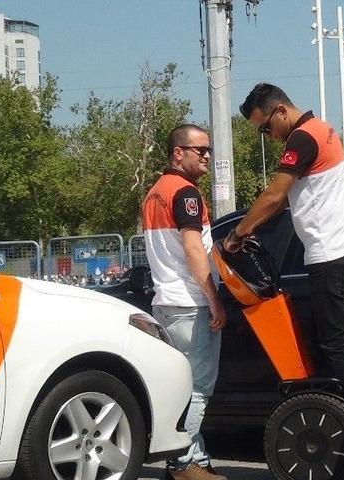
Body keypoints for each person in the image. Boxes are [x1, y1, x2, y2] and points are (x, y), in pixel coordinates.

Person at [224, 83, 344, 405]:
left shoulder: (302, 138)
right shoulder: (322, 129)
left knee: (333, 343)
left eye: (266, 128)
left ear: (280, 111)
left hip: (332, 253)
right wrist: (254, 227)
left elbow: (274, 195)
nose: (269, 136)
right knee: (343, 340)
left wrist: (237, 235)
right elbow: (282, 202)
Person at [143, 124, 227, 480]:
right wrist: (214, 299)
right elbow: (194, 251)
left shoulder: (154, 193)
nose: (207, 156)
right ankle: (181, 464)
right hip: (191, 304)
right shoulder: (186, 194)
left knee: (181, 388)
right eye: (200, 150)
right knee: (198, 390)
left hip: (166, 303)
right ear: (178, 153)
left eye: (208, 149)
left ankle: (196, 460)